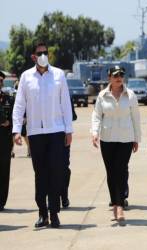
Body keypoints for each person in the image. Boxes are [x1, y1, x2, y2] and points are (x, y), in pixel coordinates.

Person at [13, 41, 73, 228]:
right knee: (40, 175)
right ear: (33, 57)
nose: (43, 56)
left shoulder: (58, 75)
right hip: (35, 133)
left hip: (56, 131)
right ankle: (42, 214)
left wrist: (68, 129)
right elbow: (19, 104)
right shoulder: (25, 77)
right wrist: (16, 130)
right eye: (39, 53)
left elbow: (65, 103)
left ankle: (54, 214)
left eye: (45, 52)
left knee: (56, 173)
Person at [91, 65, 141, 225]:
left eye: (121, 74)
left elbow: (136, 118)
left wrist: (137, 138)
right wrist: (94, 132)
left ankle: (119, 206)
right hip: (107, 139)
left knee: (120, 171)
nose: (119, 77)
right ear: (109, 78)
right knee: (111, 173)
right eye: (115, 75)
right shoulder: (102, 95)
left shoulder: (130, 95)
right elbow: (97, 115)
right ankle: (115, 203)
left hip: (126, 139)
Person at [0, 70, 15, 211]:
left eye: (0, 81)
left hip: (4, 140)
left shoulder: (8, 98)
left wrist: (8, 122)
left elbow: (14, 117)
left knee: (4, 171)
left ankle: (2, 201)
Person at [61, 97, 77, 208]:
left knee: (63, 168)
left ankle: (64, 195)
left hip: (63, 135)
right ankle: (55, 197)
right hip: (46, 135)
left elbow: (72, 115)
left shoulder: (65, 94)